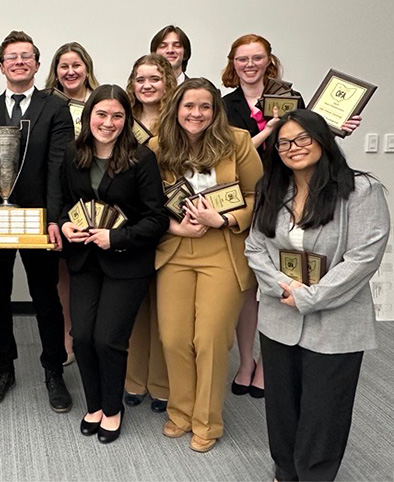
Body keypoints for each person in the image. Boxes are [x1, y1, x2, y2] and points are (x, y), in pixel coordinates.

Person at [245, 109, 389, 481]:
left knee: (325, 409)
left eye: (303, 139)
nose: (294, 148)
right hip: (280, 314)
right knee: (282, 406)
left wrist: (312, 297)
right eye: (284, 143)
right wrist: (284, 286)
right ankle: (285, 470)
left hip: (337, 319)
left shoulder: (360, 191)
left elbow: (363, 258)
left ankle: (315, 475)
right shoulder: (272, 189)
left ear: (323, 140)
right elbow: (255, 248)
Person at [220, 34, 363, 399]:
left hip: (292, 190)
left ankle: (268, 364)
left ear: (270, 60)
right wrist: (268, 130)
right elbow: (228, 156)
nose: (249, 65)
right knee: (251, 283)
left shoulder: (292, 99)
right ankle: (247, 361)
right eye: (242, 59)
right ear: (232, 64)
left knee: (289, 268)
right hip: (248, 195)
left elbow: (310, 140)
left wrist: (335, 128)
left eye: (257, 58)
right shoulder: (224, 105)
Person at [150, 78, 262, 452]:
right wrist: (175, 225)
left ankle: (208, 422)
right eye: (188, 106)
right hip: (175, 249)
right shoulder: (156, 146)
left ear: (215, 111)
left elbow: (256, 196)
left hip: (223, 250)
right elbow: (145, 202)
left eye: (205, 107)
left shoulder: (238, 141)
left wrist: (225, 221)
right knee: (175, 337)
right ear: (176, 109)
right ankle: (180, 411)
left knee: (211, 339)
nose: (196, 114)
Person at [0, 30, 74, 412]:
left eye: (26, 56)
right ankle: (3, 369)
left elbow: (59, 167)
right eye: (12, 57)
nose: (19, 62)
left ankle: (53, 371)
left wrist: (55, 218)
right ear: (1, 66)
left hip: (39, 220)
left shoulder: (55, 107)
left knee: (46, 298)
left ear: (37, 64)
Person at [59, 84, 168, 443]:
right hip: (84, 259)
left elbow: (156, 218)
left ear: (127, 118)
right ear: (89, 115)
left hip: (126, 261)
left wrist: (116, 238)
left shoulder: (141, 158)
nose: (108, 123)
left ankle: (112, 408)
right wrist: (64, 225)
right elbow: (62, 203)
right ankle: (93, 405)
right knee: (83, 335)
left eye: (117, 116)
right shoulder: (73, 153)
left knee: (109, 339)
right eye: (101, 114)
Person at [122, 53, 177, 413]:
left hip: (172, 221)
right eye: (140, 79)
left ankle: (160, 383)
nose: (146, 85)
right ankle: (133, 379)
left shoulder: (179, 120)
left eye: (154, 79)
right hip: (130, 222)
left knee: (164, 308)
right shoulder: (122, 120)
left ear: (167, 82)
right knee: (133, 305)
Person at [44, 41, 100, 367]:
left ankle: (96, 336)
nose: (70, 71)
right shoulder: (48, 104)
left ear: (86, 67)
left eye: (76, 65)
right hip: (64, 193)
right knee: (65, 271)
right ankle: (68, 335)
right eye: (63, 66)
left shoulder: (102, 100)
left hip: (100, 193)